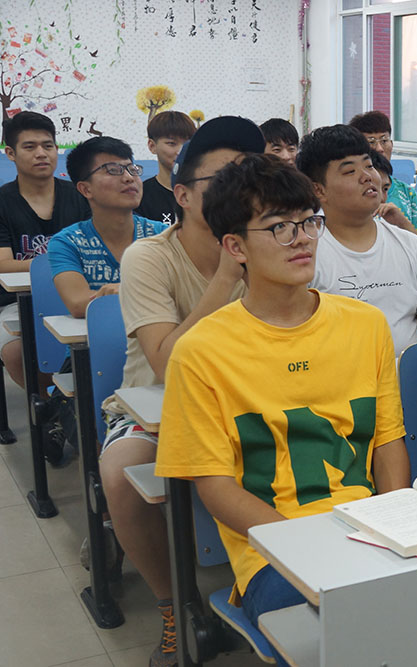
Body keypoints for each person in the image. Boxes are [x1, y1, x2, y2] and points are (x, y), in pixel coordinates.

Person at [155, 154, 410, 666]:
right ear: (235, 247)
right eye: (279, 227)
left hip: (368, 528)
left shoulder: (365, 325)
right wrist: (304, 546)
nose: (302, 239)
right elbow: (215, 486)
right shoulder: (201, 350)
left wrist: (395, 524)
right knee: (349, 638)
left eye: (309, 222)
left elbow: (387, 441)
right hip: (273, 549)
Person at [100, 116, 262, 667]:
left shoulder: (270, 243)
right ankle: (174, 604)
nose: (240, 192)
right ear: (183, 194)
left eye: (249, 178)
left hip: (251, 403)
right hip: (157, 406)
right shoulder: (150, 256)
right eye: (223, 180)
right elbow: (167, 362)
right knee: (121, 472)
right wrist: (227, 275)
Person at [297, 124, 417, 356]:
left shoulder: (412, 246)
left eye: (368, 165)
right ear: (319, 190)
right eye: (350, 171)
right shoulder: (305, 254)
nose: (367, 177)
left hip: (403, 377)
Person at [0, 111, 90, 388]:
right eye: (30, 147)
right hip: (17, 303)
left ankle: (74, 405)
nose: (41, 153)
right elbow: (3, 264)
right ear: (11, 153)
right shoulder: (2, 202)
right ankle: (51, 405)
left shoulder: (81, 196)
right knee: (16, 352)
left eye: (47, 145)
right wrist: (64, 261)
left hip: (79, 293)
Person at [49, 137, 166, 318]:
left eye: (132, 169)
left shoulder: (162, 235)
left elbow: (182, 293)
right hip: (96, 335)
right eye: (113, 170)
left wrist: (124, 291)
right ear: (86, 189)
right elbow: (78, 304)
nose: (129, 178)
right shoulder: (67, 242)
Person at [348, 110, 417, 232]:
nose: (379, 149)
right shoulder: (351, 192)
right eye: (371, 142)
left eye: (384, 141)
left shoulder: (407, 192)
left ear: (391, 144)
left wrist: (401, 222)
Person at [136, 111, 196, 225]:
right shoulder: (140, 196)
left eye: (187, 144)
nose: (180, 151)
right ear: (152, 146)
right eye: (171, 143)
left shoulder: (203, 192)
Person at [370, 149, 417, 235]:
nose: (382, 198)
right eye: (373, 190)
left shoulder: (391, 215)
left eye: (385, 189)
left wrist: (402, 223)